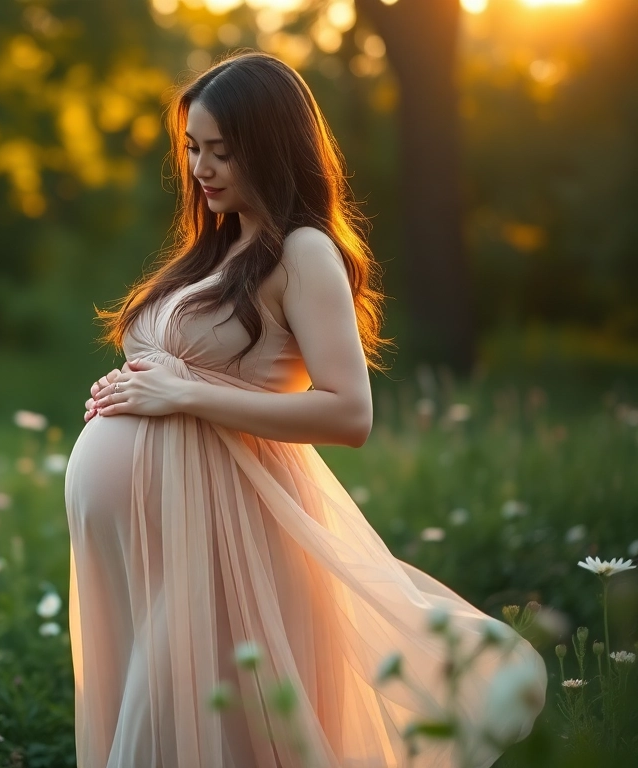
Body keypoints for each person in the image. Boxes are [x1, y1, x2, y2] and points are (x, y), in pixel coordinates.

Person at [63, 51, 547, 768]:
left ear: (273, 146)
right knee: (160, 707)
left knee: (200, 722)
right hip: (158, 539)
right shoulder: (215, 251)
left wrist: (181, 393)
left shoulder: (304, 252)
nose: (202, 168)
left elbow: (349, 414)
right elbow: (182, 368)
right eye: (193, 148)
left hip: (230, 534)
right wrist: (128, 391)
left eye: (223, 151)